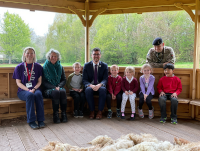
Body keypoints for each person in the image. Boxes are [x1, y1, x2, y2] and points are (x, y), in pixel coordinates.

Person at [13, 47, 45, 129]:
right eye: (27, 53)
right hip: (23, 91)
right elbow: (18, 83)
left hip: (36, 88)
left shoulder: (38, 67)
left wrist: (34, 89)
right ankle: (31, 121)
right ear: (24, 54)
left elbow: (39, 82)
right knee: (30, 95)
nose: (29, 55)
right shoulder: (19, 67)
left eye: (31, 53)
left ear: (34, 55)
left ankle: (41, 120)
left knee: (38, 95)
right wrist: (28, 90)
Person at [42, 49, 67, 124]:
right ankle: (55, 115)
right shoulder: (45, 67)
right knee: (56, 92)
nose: (53, 57)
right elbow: (43, 82)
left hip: (58, 87)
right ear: (49, 57)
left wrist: (59, 86)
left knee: (62, 92)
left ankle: (63, 113)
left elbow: (64, 80)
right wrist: (53, 87)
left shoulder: (60, 67)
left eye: (55, 56)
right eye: (52, 56)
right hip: (47, 89)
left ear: (58, 57)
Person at [82, 47, 108, 120]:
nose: (96, 56)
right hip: (90, 85)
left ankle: (100, 111)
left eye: (98, 54)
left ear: (100, 55)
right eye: (94, 54)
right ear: (91, 55)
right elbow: (84, 79)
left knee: (103, 90)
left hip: (100, 85)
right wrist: (91, 85)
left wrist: (99, 85)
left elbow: (105, 79)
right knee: (88, 90)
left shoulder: (104, 65)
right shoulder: (86, 65)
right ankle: (92, 111)